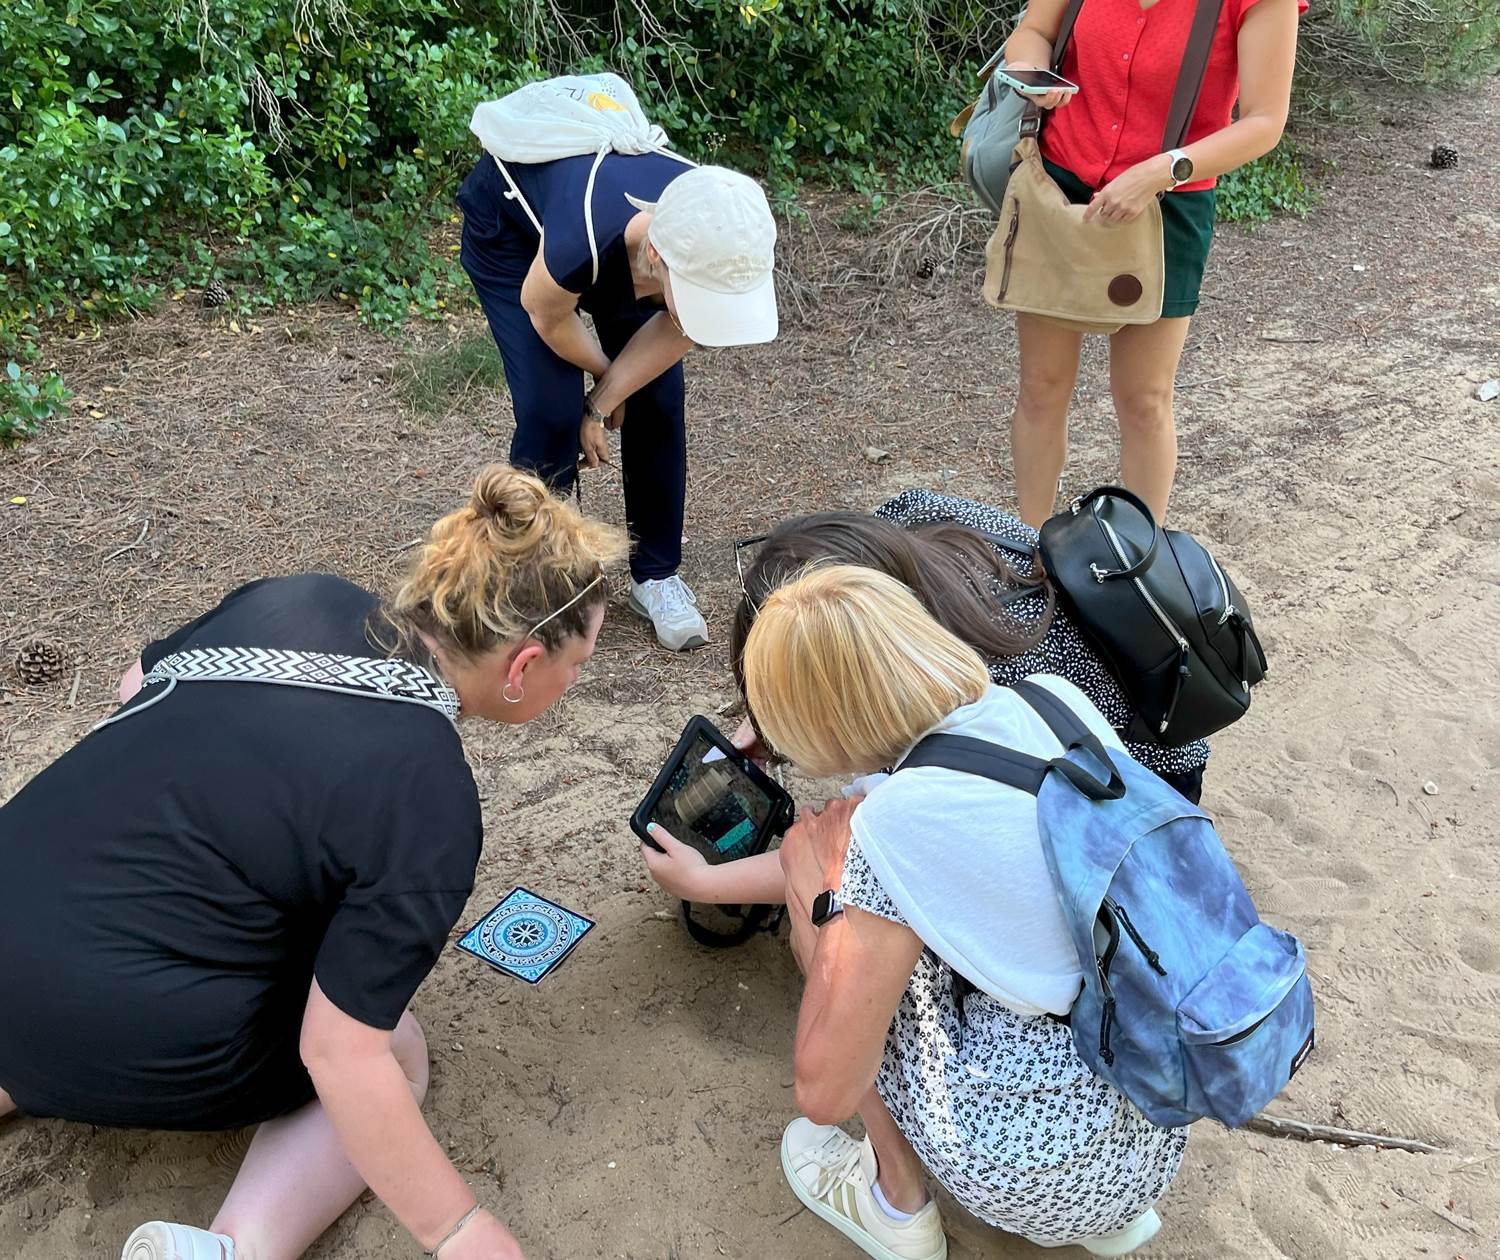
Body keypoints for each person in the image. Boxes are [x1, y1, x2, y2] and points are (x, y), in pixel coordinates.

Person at [0, 465, 625, 1260]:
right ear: (522, 665)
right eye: (579, 664)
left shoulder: (299, 596)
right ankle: (237, 1246)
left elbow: (136, 687)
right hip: (127, 1026)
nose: (574, 681)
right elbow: (340, 1053)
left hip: (16, 902)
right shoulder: (428, 795)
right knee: (397, 1050)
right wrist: (463, 1232)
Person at [745, 565, 1188, 1258]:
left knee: (840, 946)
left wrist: (819, 900)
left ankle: (896, 1203)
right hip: (1159, 1110)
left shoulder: (887, 828)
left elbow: (823, 1094)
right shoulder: (1049, 701)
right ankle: (1109, 1218)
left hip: (1028, 1170)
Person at [640, 487, 1208, 911]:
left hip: (1139, 808)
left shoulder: (966, 694)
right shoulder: (910, 519)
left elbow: (872, 840)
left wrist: (706, 883)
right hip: (1139, 733)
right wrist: (774, 724)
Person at [458, 140, 779, 651]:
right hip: (514, 237)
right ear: (656, 257)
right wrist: (596, 393)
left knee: (658, 395)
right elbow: (547, 314)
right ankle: (528, 576)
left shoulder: (719, 231)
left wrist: (603, 402)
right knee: (550, 408)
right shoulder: (581, 238)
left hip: (622, 252)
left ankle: (655, 576)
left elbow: (682, 327)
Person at [1002, 0, 1307, 526]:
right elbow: (1034, 30)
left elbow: (1264, 122)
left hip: (1169, 201)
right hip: (1060, 190)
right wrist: (1031, 75)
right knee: (1041, 386)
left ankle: (1138, 569)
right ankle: (1030, 554)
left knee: (1144, 399)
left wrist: (1162, 170)